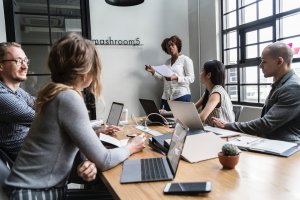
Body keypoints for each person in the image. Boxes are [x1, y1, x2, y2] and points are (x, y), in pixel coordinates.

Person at [4, 33, 146, 199]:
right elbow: (105, 160)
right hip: (34, 195)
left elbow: (68, 141)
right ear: (85, 71)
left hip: (32, 191)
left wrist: (87, 160)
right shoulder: (68, 97)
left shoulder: (55, 93)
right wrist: (131, 147)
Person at [0, 42, 102, 183]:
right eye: (18, 61)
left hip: (47, 155)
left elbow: (44, 105)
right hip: (40, 165)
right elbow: (45, 117)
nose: (25, 66)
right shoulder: (1, 95)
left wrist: (91, 127)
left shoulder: (17, 91)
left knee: (102, 157)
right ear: (1, 65)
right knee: (106, 167)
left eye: (25, 60)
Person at [213, 42, 300, 143]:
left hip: (286, 147)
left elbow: (266, 124)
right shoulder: (280, 84)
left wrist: (228, 125)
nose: (260, 66)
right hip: (271, 143)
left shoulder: (293, 87)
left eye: (264, 61)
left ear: (279, 61)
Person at [145, 35, 195, 111]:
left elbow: (191, 79)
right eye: (168, 46)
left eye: (172, 45)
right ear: (166, 49)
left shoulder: (185, 60)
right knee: (163, 120)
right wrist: (153, 72)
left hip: (181, 95)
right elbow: (163, 78)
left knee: (179, 121)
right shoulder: (167, 62)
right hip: (166, 97)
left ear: (177, 46)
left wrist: (176, 77)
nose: (170, 47)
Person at [195, 60, 235, 126]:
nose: (200, 73)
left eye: (202, 70)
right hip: (214, 129)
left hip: (225, 132)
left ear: (208, 75)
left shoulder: (217, 93)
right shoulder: (208, 92)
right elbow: (194, 108)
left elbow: (202, 117)